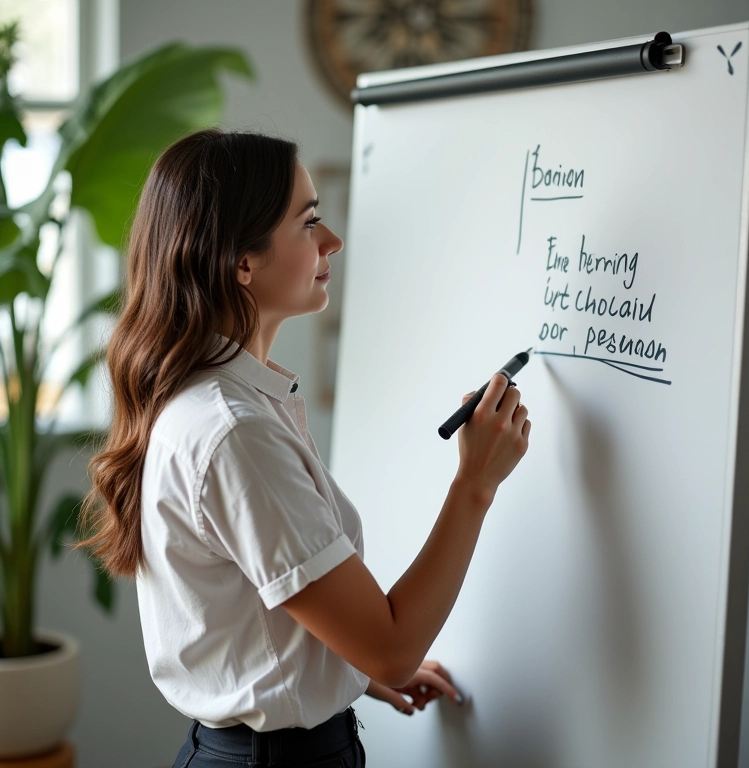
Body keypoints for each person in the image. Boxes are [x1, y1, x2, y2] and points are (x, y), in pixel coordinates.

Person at [77, 128, 531, 768]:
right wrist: (475, 484)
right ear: (242, 261)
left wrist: (343, 672)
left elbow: (249, 602)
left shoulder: (222, 405)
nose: (332, 242)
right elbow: (395, 647)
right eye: (309, 222)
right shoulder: (234, 430)